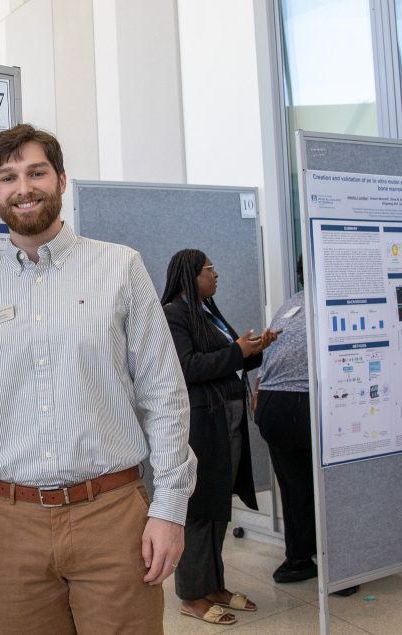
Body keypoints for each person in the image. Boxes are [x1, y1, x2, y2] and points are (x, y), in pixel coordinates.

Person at [0, 124, 196, 635]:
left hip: (112, 516)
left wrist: (169, 508)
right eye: (7, 177)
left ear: (61, 180)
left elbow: (163, 393)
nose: (23, 188)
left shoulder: (120, 268)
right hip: (8, 524)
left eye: (36, 172)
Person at [161, 250, 277, 625]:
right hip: (203, 424)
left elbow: (228, 360)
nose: (216, 275)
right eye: (210, 269)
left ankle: (214, 586)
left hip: (227, 418)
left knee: (217, 507)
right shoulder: (174, 314)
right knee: (199, 511)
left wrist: (254, 350)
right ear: (190, 275)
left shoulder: (207, 310)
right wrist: (236, 351)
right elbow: (187, 367)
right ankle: (192, 595)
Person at [253, 267, 359, 597]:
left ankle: (298, 560)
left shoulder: (291, 304)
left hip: (272, 405)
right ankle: (338, 568)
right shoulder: (339, 303)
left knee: (295, 484)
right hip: (310, 402)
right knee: (335, 486)